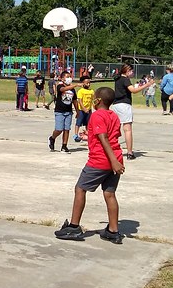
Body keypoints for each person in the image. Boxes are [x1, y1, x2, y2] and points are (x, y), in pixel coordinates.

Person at [54, 86, 126, 244]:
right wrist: (89, 136)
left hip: (101, 160)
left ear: (98, 100)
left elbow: (104, 138)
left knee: (80, 188)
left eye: (95, 97)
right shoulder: (113, 115)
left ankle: (73, 227)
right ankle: (113, 231)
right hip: (116, 158)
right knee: (109, 194)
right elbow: (111, 136)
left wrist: (112, 161)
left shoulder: (97, 115)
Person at [112, 63, 151, 159]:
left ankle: (113, 149)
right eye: (132, 71)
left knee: (115, 129)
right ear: (127, 71)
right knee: (127, 129)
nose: (133, 73)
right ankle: (130, 152)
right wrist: (147, 85)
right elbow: (133, 90)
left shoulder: (117, 79)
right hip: (124, 105)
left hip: (116, 105)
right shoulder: (125, 79)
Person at [48, 74, 77, 152]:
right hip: (60, 111)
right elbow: (62, 89)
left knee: (66, 129)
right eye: (67, 77)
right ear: (62, 78)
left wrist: (78, 111)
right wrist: (75, 85)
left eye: (70, 77)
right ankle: (52, 138)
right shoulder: (59, 86)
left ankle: (64, 145)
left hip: (68, 111)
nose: (69, 78)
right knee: (59, 129)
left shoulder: (72, 90)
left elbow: (74, 101)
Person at [74, 75, 94, 141]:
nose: (88, 84)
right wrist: (84, 108)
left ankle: (88, 134)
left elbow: (93, 100)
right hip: (81, 110)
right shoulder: (81, 91)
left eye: (89, 83)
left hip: (89, 110)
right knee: (78, 123)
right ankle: (76, 135)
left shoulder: (91, 91)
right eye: (87, 83)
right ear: (83, 83)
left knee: (88, 123)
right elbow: (79, 101)